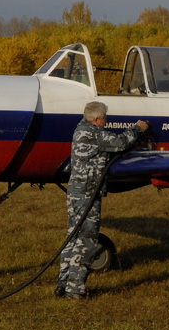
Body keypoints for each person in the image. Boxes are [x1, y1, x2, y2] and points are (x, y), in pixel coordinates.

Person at [56, 101, 149, 299]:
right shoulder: (93, 133)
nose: (107, 121)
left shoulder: (81, 129)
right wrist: (138, 128)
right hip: (88, 194)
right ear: (97, 119)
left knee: (72, 237)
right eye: (105, 118)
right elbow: (121, 142)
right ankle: (75, 289)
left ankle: (63, 284)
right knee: (87, 240)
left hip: (76, 192)